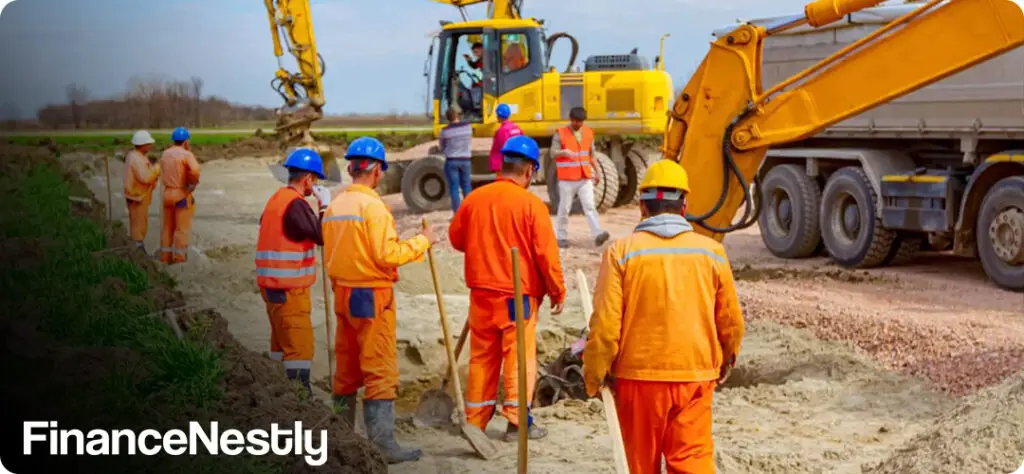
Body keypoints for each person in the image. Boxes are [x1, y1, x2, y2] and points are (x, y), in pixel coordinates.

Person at [581, 159, 745, 474]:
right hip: (696, 376)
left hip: (638, 380)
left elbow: (604, 325)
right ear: (684, 206)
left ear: (642, 206)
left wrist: (595, 373)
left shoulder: (621, 252)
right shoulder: (711, 252)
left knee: (640, 464)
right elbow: (731, 321)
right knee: (693, 462)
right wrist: (727, 359)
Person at [322, 136, 439, 464]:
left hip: (342, 293)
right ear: (376, 171)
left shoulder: (335, 205)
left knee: (346, 369)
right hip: (371, 295)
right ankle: (383, 445)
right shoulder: (372, 206)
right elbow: (388, 254)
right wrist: (422, 241)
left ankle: (340, 436)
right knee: (379, 369)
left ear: (351, 168)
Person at [449, 135, 566, 442]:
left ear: (503, 165)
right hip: (517, 297)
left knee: (482, 359)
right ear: (529, 171)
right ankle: (517, 424)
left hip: (481, 295)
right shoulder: (531, 205)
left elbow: (456, 239)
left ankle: (475, 423)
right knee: (518, 359)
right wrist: (558, 290)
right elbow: (546, 255)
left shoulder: (474, 199)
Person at [255, 148, 332, 394]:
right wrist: (324, 207)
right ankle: (298, 398)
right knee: (299, 348)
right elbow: (321, 235)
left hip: (271, 286)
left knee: (280, 344)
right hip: (289, 289)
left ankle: (278, 395)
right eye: (315, 180)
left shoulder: (276, 199)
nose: (315, 185)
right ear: (308, 178)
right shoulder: (296, 205)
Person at [551, 106, 610, 248]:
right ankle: (561, 237)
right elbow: (553, 153)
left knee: (590, 207)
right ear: (571, 120)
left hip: (584, 178)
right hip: (567, 180)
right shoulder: (560, 133)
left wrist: (597, 172)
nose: (578, 124)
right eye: (576, 121)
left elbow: (591, 155)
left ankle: (597, 234)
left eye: (580, 122)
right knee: (564, 209)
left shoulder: (589, 133)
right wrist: (564, 152)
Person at [159, 126, 201, 264]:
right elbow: (195, 171)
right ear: (185, 141)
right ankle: (180, 258)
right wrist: (191, 185)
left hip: (166, 193)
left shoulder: (165, 154)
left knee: (167, 227)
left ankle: (165, 257)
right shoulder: (187, 155)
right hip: (181, 194)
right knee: (181, 228)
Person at [123, 130, 161, 254]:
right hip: (137, 196)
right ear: (142, 144)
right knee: (139, 222)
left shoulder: (133, 155)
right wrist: (157, 168)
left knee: (137, 221)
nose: (150, 146)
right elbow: (145, 177)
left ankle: (138, 244)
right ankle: (138, 248)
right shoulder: (137, 159)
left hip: (135, 194)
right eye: (148, 144)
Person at [438, 108, 474, 213]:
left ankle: (457, 214)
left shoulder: (444, 131)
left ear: (447, 118)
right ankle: (469, 211)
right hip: (466, 160)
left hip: (452, 160)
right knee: (467, 186)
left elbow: (442, 147)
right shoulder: (468, 127)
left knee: (454, 189)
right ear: (457, 115)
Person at [489, 103, 523, 174]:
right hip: (516, 162)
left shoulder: (502, 130)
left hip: (503, 164)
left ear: (498, 115)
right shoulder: (517, 128)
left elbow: (501, 148)